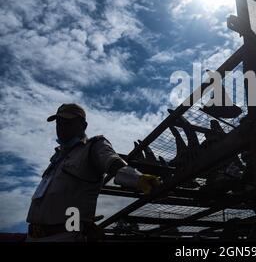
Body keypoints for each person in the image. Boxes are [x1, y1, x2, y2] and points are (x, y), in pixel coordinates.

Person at [26, 103, 160, 242]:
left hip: (64, 236)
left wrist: (138, 179)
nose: (61, 126)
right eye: (59, 122)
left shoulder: (93, 146)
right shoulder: (56, 159)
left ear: (83, 125)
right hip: (32, 236)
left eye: (67, 122)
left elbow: (113, 162)